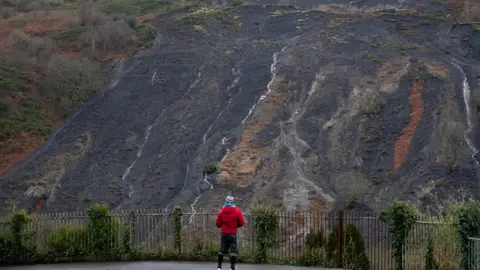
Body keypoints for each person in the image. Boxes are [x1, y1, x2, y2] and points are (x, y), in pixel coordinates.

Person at [216, 196, 245, 270]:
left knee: (222, 250)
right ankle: (232, 267)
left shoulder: (221, 211)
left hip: (224, 234)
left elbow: (217, 224)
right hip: (233, 233)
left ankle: (219, 267)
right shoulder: (237, 211)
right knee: (233, 251)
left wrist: (223, 225)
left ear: (225, 201)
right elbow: (242, 223)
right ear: (233, 202)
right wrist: (235, 226)